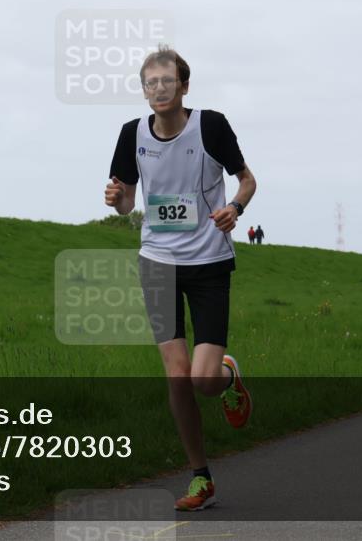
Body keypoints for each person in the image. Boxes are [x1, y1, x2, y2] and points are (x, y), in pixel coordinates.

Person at [104, 45, 257, 512]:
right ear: (144, 90)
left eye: (167, 82)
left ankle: (228, 378)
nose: (158, 90)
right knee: (176, 376)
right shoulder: (132, 134)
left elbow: (246, 179)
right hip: (156, 262)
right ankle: (200, 477)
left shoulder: (209, 125)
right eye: (150, 83)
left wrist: (235, 207)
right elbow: (129, 202)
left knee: (202, 381)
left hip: (208, 263)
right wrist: (117, 199)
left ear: (184, 86)